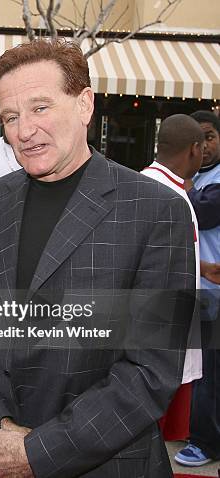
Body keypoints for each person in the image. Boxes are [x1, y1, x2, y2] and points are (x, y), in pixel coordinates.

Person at [0, 39, 196, 477]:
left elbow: (151, 369)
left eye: (40, 108)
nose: (24, 131)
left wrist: (40, 450)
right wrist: (2, 431)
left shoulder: (155, 211)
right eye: (11, 117)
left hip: (102, 461)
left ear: (84, 104)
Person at [141, 114, 204, 441]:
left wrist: (201, 266)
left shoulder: (159, 187)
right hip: (157, 345)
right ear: (195, 150)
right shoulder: (161, 192)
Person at [175, 110, 220, 467]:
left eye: (210, 136)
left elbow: (203, 212)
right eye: (198, 139)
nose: (204, 146)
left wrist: (178, 187)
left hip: (214, 291)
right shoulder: (191, 177)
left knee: (207, 372)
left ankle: (204, 440)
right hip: (194, 288)